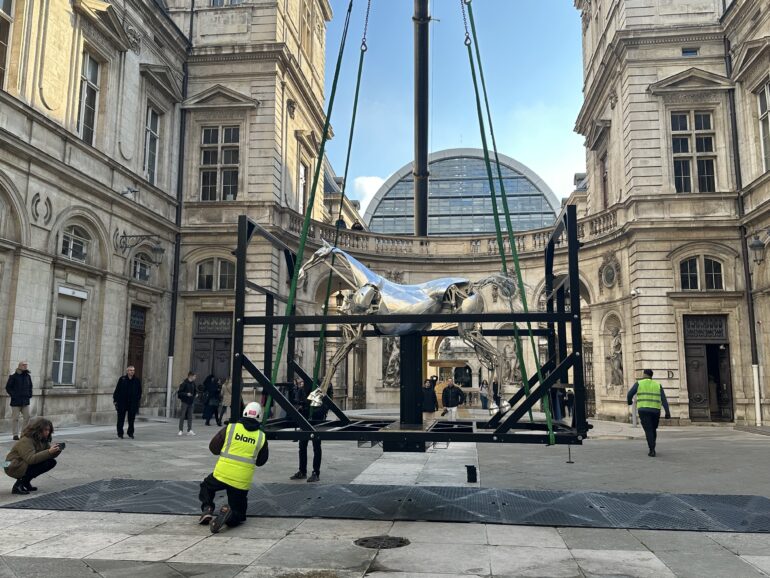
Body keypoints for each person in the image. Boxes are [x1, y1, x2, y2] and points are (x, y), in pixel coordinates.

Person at [198, 401, 269, 533]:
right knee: (240, 514)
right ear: (259, 416)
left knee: (206, 487)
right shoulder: (261, 437)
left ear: (244, 413)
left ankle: (207, 508)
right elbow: (261, 462)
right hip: (241, 481)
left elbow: (213, 448)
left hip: (221, 474)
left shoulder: (231, 428)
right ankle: (229, 515)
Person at [4, 418, 61, 494]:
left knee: (50, 462)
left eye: (49, 430)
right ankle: (18, 486)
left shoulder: (42, 439)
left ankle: (25, 482)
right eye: (45, 430)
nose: (47, 432)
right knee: (39, 463)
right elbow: (30, 459)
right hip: (11, 465)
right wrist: (49, 452)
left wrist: (55, 451)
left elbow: (47, 455)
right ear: (38, 429)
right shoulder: (26, 440)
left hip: (22, 462)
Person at [289, 377, 328, 483]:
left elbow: (323, 407)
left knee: (316, 447)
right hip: (305, 421)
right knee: (302, 446)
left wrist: (311, 411)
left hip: (315, 422)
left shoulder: (318, 390)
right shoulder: (303, 389)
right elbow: (298, 402)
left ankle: (315, 472)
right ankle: (302, 471)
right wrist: (303, 408)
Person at [627, 369, 671, 457]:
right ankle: (652, 445)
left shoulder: (639, 383)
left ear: (644, 375)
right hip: (655, 410)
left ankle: (652, 449)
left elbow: (629, 394)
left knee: (648, 430)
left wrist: (629, 402)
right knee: (653, 429)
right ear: (651, 376)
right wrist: (667, 412)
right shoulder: (658, 385)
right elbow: (664, 399)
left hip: (643, 410)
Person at [6, 361, 33, 441]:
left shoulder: (28, 376)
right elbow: (8, 388)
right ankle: (15, 434)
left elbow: (30, 387)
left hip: (25, 401)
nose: (25, 366)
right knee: (15, 418)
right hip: (15, 402)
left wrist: (29, 394)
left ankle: (23, 434)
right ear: (19, 366)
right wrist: (14, 396)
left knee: (27, 417)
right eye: (24, 365)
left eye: (26, 365)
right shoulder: (13, 376)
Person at [113, 365, 142, 439]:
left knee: (131, 419)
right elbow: (117, 390)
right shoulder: (122, 379)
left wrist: (137, 400)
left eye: (133, 370)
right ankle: (120, 433)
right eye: (130, 370)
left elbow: (139, 391)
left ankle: (130, 433)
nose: (132, 372)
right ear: (127, 371)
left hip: (132, 403)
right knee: (120, 419)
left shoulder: (137, 380)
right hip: (122, 402)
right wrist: (115, 400)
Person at [177, 371, 197, 436]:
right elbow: (179, 393)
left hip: (191, 402)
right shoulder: (184, 383)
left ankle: (189, 430)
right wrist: (186, 394)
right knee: (182, 416)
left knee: (190, 416)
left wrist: (196, 394)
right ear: (190, 376)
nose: (195, 377)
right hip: (185, 402)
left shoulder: (193, 383)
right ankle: (180, 430)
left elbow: (195, 391)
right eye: (194, 376)